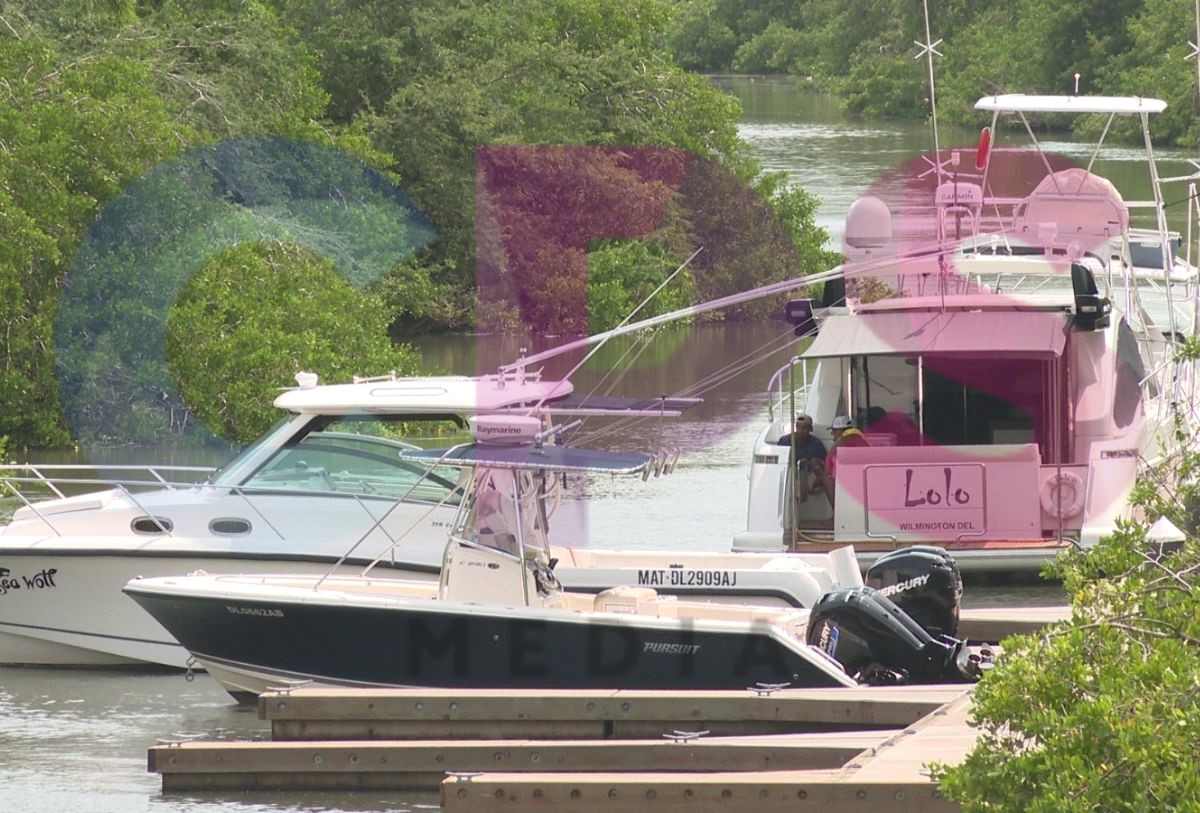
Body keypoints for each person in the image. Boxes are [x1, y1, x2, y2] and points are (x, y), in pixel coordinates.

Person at [823, 415, 870, 502]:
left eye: (833, 431)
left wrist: (826, 474)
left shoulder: (843, 440)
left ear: (839, 430)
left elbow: (828, 461)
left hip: (849, 478)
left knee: (827, 480)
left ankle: (836, 512)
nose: (832, 434)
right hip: (863, 476)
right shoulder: (861, 438)